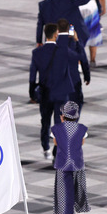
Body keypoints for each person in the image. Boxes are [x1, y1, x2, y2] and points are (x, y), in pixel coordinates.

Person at [30, 23, 73, 160]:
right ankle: (57, 151)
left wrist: (32, 92)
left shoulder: (37, 53)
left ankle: (45, 148)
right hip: (60, 93)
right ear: (56, 35)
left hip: (45, 93)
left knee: (45, 121)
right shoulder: (63, 51)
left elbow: (32, 75)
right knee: (59, 124)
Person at [52, 101, 90, 214]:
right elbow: (82, 143)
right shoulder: (82, 129)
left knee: (65, 190)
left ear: (63, 116)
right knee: (79, 187)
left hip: (63, 163)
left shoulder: (56, 129)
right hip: (77, 163)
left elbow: (56, 143)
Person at [56, 19, 90, 114]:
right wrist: (87, 75)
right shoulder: (74, 43)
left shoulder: (54, 44)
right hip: (73, 81)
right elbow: (83, 58)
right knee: (76, 107)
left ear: (57, 30)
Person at [78, 0, 105, 67]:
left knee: (78, 35)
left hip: (77, 7)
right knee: (93, 33)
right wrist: (103, 8)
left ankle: (79, 63)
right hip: (91, 7)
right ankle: (92, 61)